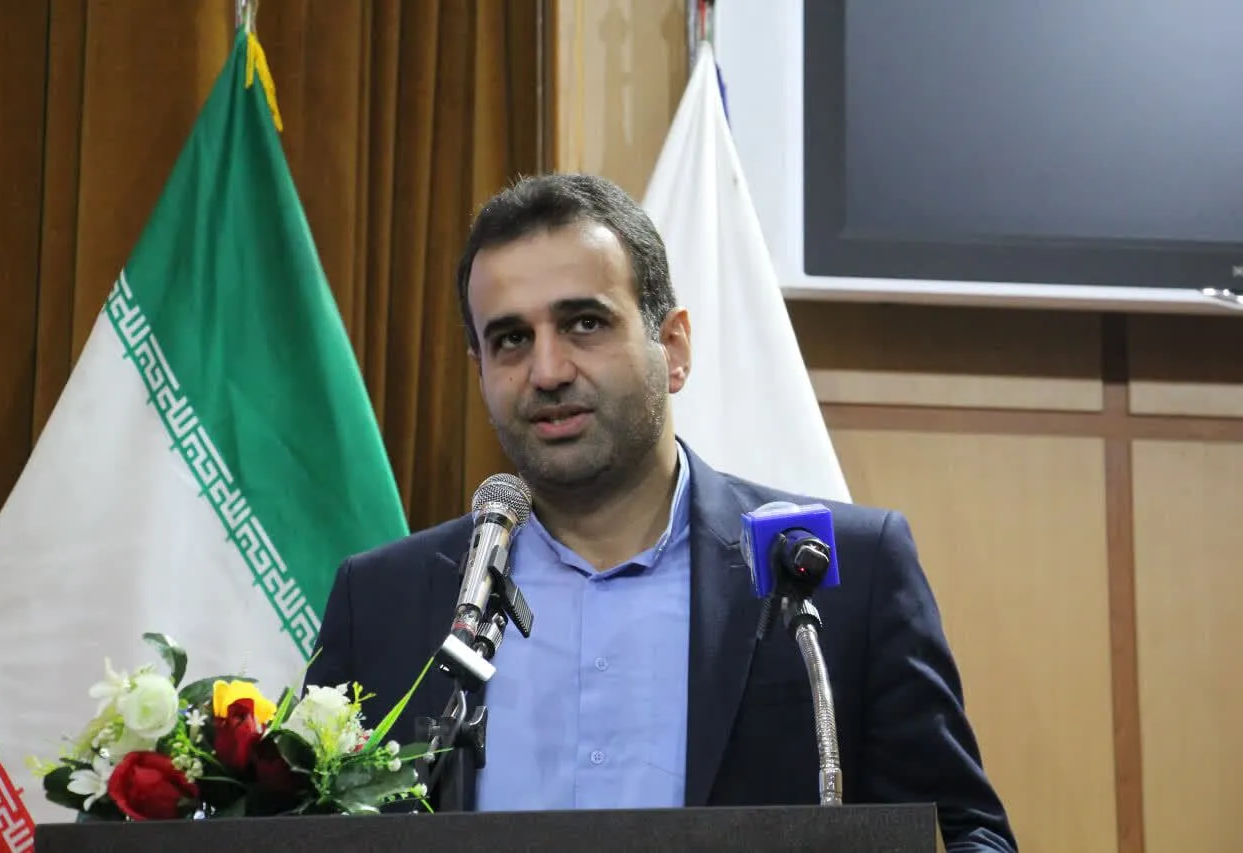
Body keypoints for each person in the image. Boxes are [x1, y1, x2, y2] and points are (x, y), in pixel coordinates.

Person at [305, 173, 1017, 851]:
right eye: (511, 339)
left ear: (673, 347)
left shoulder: (842, 572)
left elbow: (965, 834)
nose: (546, 371)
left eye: (584, 323)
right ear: (480, 369)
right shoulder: (385, 603)